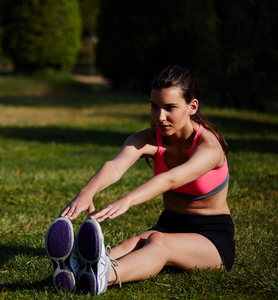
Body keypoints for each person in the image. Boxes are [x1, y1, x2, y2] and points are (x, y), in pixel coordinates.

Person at [45, 66, 235, 295]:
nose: (160, 117)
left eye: (170, 108)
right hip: (170, 224)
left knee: (159, 243)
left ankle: (102, 276)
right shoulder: (147, 139)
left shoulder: (208, 147)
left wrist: (127, 200)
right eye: (155, 107)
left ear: (192, 106)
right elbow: (115, 166)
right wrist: (87, 192)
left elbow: (171, 179)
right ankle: (73, 269)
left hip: (211, 236)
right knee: (127, 246)